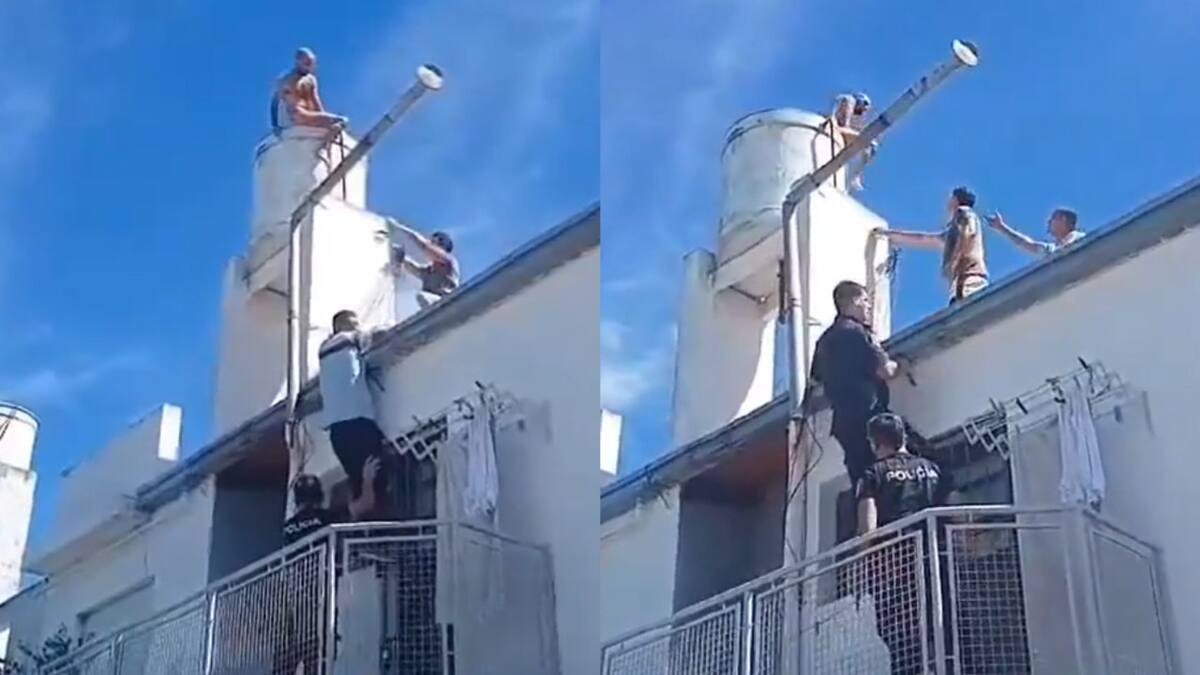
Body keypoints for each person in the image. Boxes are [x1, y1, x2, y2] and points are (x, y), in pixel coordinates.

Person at [856, 413, 951, 675]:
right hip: (934, 562)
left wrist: (865, 560)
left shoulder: (874, 474)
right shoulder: (933, 470)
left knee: (902, 644)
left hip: (893, 571)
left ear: (875, 443)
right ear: (904, 437)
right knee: (939, 632)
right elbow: (951, 511)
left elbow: (868, 528)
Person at [810, 281, 900, 486]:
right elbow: (884, 370)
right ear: (856, 301)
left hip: (844, 423)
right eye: (866, 301)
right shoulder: (857, 333)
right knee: (896, 469)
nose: (869, 307)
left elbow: (815, 379)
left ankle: (866, 514)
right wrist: (899, 364)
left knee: (861, 479)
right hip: (870, 416)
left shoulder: (824, 341)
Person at [318, 310, 395, 518]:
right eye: (355, 323)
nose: (358, 326)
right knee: (380, 476)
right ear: (347, 325)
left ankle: (362, 529)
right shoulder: (351, 339)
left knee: (358, 482)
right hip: (359, 423)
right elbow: (380, 334)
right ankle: (382, 527)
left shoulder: (323, 350)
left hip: (337, 431)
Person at [872, 186, 989, 305]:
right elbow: (924, 239)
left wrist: (954, 262)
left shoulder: (964, 212)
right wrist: (890, 235)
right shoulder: (951, 234)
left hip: (967, 280)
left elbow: (965, 232)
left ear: (955, 199)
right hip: (963, 283)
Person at [282, 457, 381, 545]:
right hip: (325, 565)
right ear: (321, 497)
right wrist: (368, 477)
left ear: (296, 501)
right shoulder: (327, 518)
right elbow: (366, 503)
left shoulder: (286, 528)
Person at [385, 218, 461, 309]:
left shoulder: (450, 262)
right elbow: (414, 268)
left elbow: (423, 245)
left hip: (450, 304)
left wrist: (398, 227)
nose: (430, 244)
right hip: (435, 305)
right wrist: (398, 253)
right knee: (419, 298)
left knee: (422, 297)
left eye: (433, 242)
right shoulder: (428, 272)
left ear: (442, 246)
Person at [270, 47, 348, 134]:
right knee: (338, 121)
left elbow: (316, 102)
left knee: (341, 121)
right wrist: (275, 126)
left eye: (311, 64)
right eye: (306, 63)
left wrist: (324, 118)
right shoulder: (286, 80)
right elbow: (275, 103)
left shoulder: (310, 80)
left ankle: (328, 140)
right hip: (293, 118)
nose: (309, 67)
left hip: (307, 116)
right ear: (298, 62)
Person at [987, 207, 1086, 257]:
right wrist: (1002, 228)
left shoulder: (1081, 239)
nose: (1049, 222)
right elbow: (1027, 244)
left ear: (1063, 220)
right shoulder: (1051, 250)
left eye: (1053, 218)